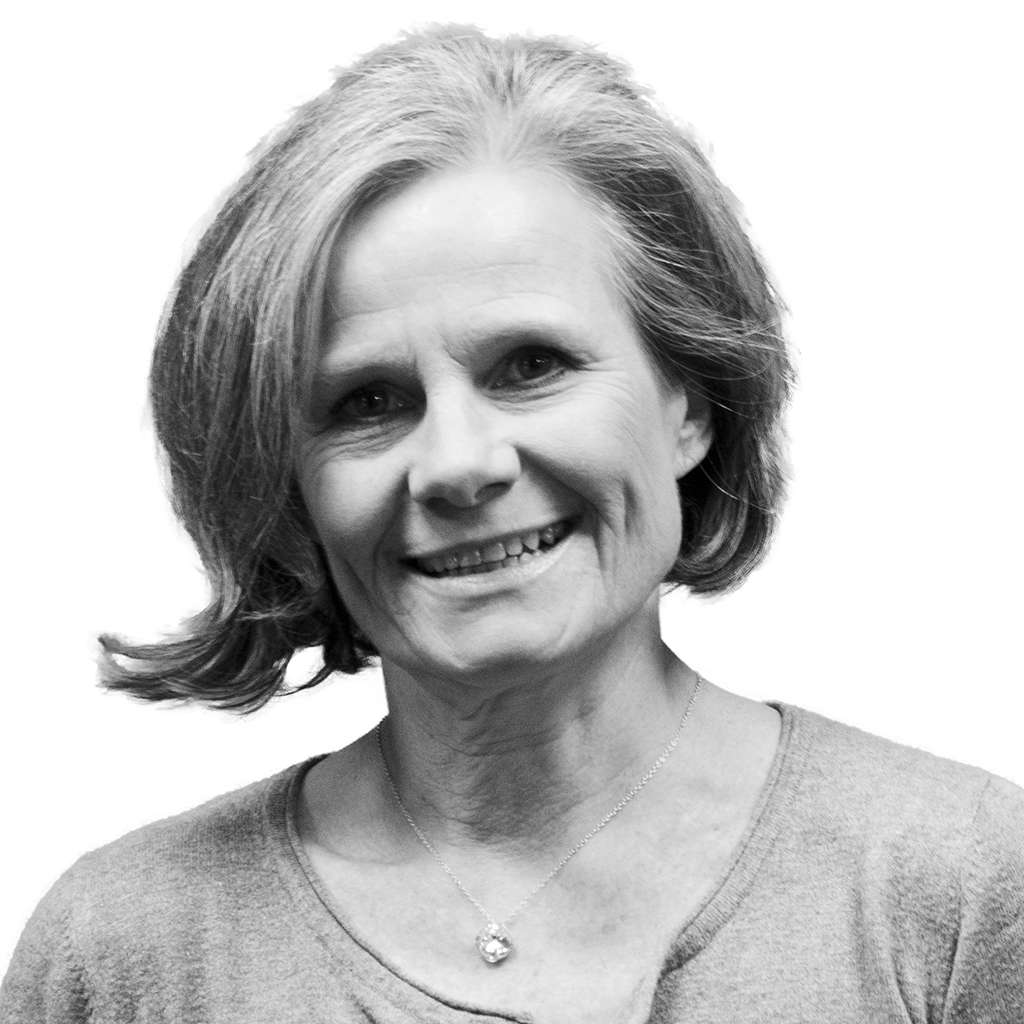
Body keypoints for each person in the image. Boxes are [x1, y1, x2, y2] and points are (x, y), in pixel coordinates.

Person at [2, 25, 1021, 1024]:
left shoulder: (958, 890)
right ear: (285, 480)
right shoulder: (127, 953)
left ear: (692, 402)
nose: (457, 464)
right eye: (366, 402)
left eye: (531, 366)